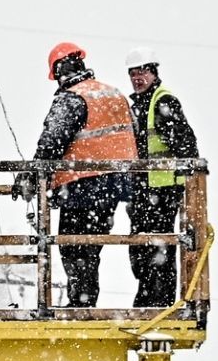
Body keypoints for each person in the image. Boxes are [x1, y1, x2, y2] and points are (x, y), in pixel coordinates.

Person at [14, 42, 137, 308]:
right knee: (90, 246)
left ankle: (81, 303)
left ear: (60, 70)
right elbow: (134, 136)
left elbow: (51, 142)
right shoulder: (113, 93)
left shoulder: (72, 97)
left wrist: (30, 175)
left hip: (82, 184)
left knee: (73, 246)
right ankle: (84, 301)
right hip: (116, 184)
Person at [124, 46, 200, 308]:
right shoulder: (138, 106)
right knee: (140, 246)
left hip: (163, 189)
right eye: (133, 73)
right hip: (144, 190)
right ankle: (147, 296)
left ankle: (159, 300)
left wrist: (185, 180)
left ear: (154, 73)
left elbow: (186, 144)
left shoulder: (163, 102)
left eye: (142, 72)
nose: (137, 78)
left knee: (159, 247)